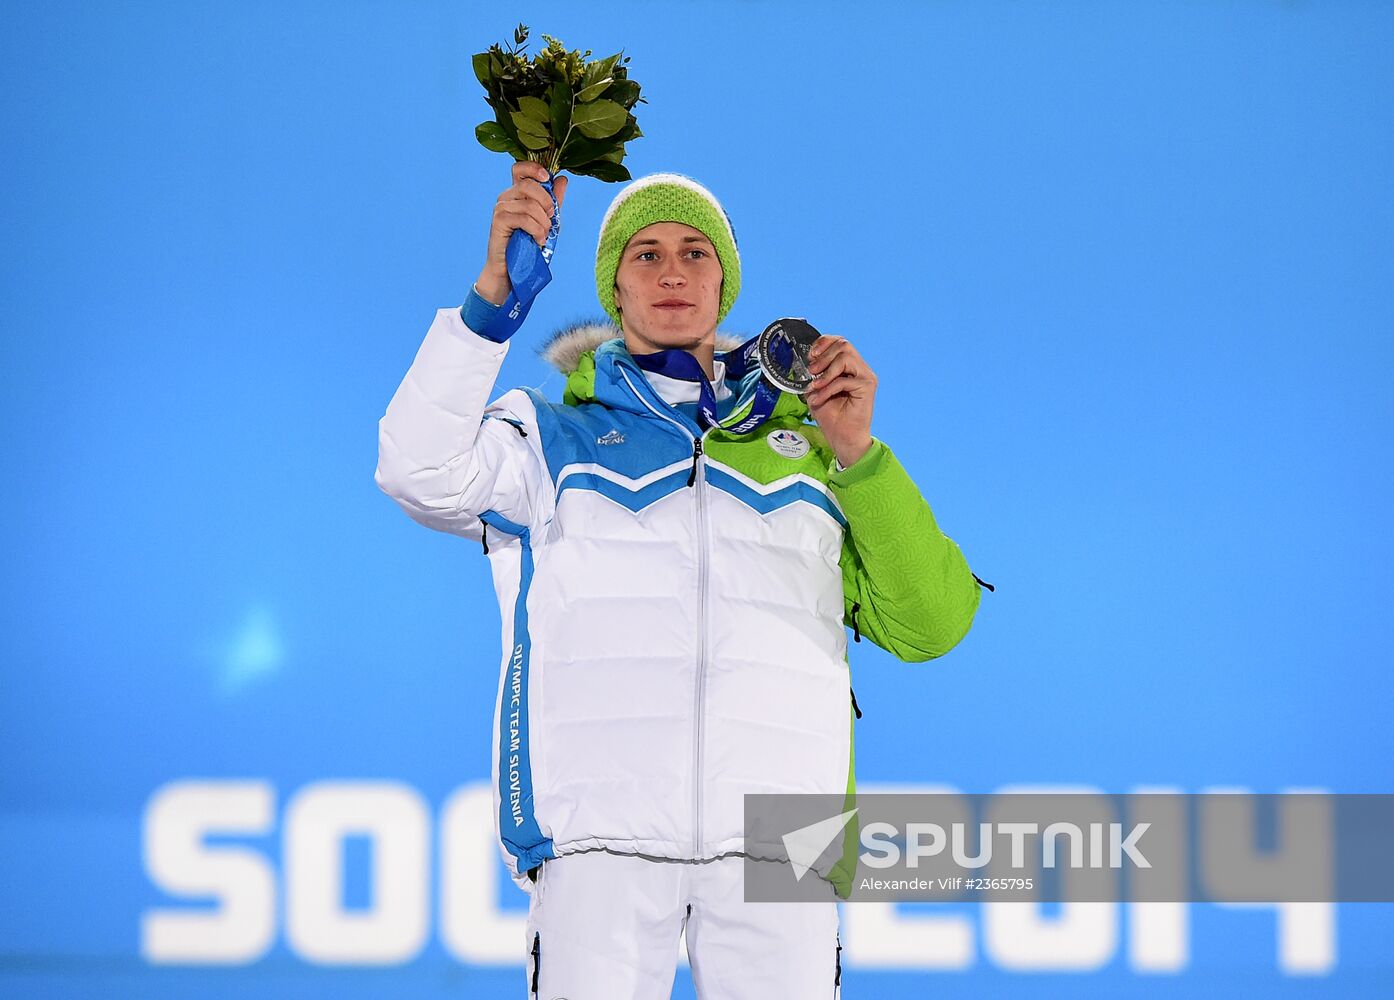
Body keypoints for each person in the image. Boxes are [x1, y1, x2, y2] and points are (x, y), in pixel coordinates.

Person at [375, 161, 984, 999]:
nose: (671, 271)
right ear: (614, 288)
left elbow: (935, 623)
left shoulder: (811, 454)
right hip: (601, 840)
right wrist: (490, 306)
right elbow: (417, 469)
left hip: (782, 848)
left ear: (724, 286)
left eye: (695, 253)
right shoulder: (550, 436)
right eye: (646, 254)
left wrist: (858, 454)